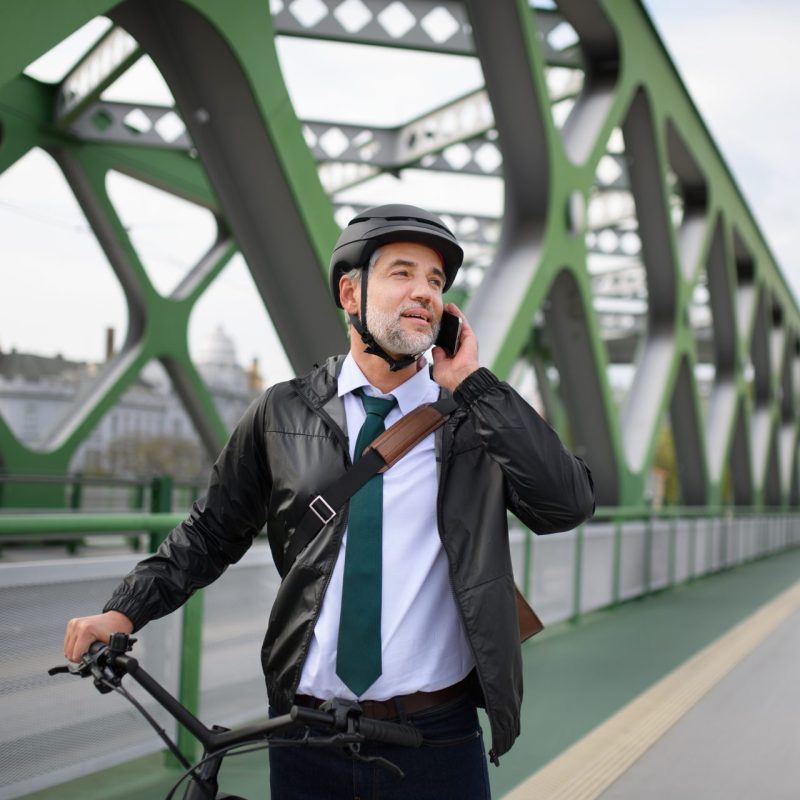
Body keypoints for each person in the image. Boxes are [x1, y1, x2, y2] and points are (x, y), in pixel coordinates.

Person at [64, 204, 595, 799]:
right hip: (306, 734)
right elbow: (210, 533)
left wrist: (473, 383)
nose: (425, 292)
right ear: (351, 293)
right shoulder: (282, 412)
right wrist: (123, 610)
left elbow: (566, 505)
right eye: (402, 273)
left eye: (437, 282)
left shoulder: (475, 416)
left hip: (437, 738)